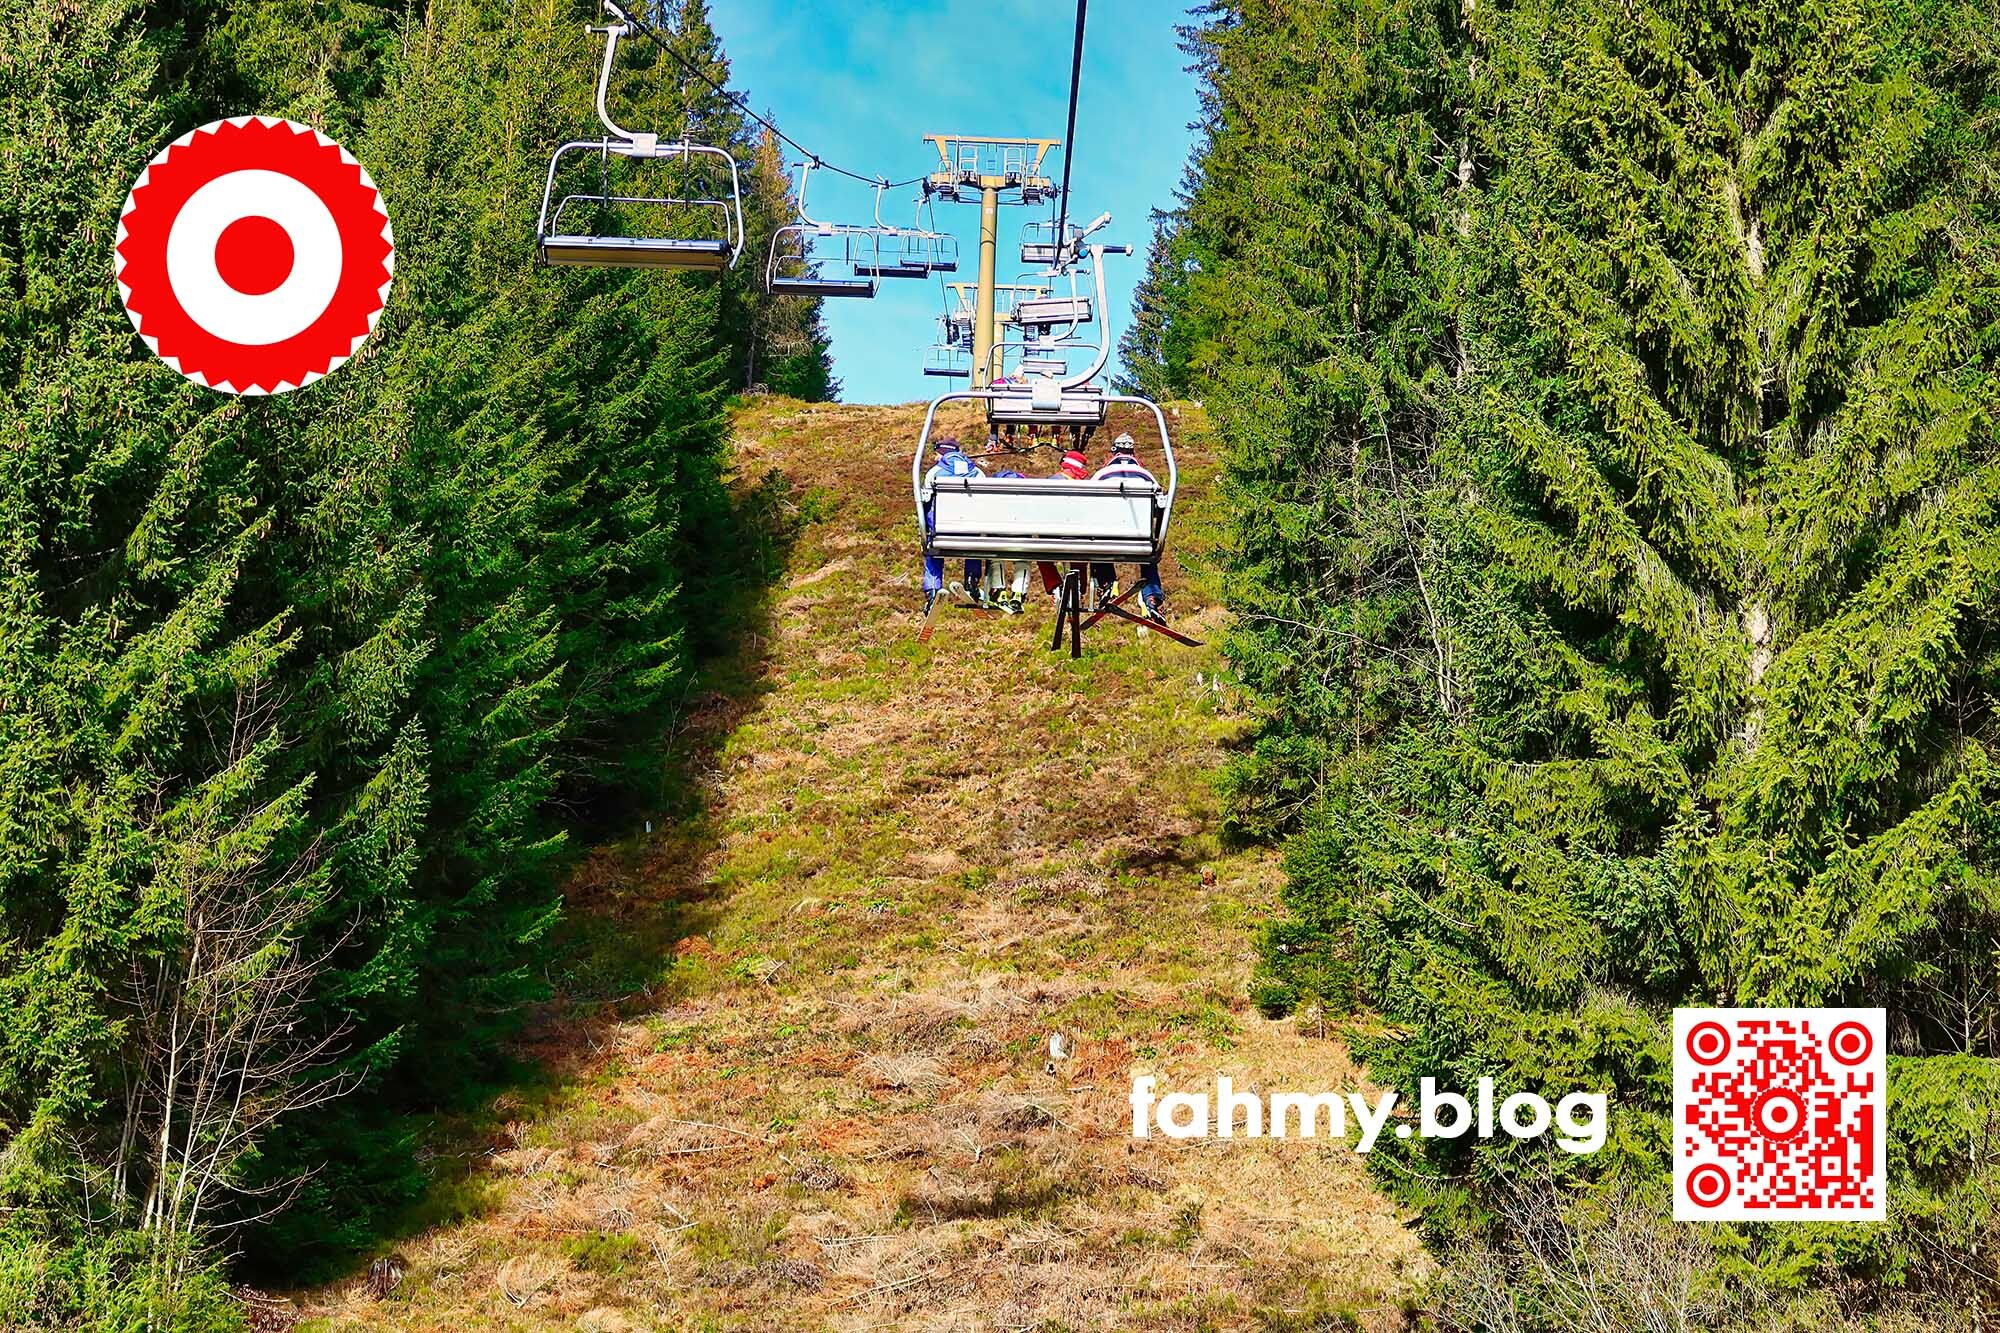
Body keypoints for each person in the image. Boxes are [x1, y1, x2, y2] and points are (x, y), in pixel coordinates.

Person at [1091, 433, 1166, 621]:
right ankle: (1151, 598)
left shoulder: (1102, 475)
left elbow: (1088, 501)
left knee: (1096, 549)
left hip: (1109, 537)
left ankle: (1107, 584)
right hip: (1139, 537)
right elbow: (1160, 503)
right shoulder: (1146, 475)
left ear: (1113, 452)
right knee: (1149, 557)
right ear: (1133, 453)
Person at [921, 437, 984, 612]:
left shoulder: (934, 473)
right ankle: (971, 582)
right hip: (971, 532)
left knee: (932, 549)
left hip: (942, 532)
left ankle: (932, 591)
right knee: (975, 546)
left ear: (942, 452)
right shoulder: (978, 473)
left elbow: (925, 501)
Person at [984, 470, 1033, 613]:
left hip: (999, 537)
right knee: (1023, 561)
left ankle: (999, 590)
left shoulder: (993, 498)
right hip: (1023, 538)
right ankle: (1019, 593)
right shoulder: (1027, 499)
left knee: (995, 558)